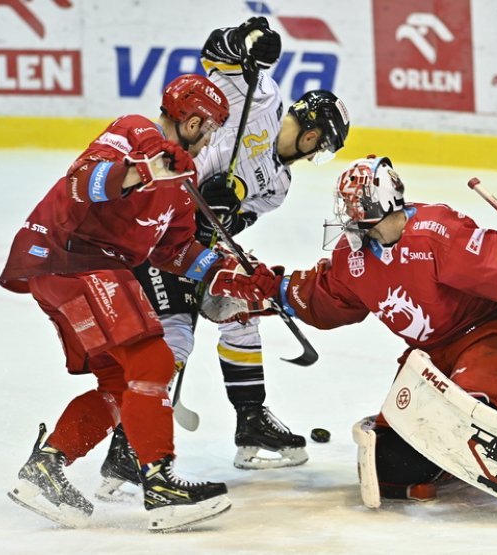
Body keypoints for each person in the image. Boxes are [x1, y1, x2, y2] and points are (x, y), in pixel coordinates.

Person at [241, 155, 497, 533]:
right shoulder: (356, 259)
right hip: (432, 360)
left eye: (359, 217)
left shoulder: (437, 234)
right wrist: (267, 289)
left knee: (457, 420)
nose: (351, 227)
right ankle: (458, 459)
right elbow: (324, 299)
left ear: (384, 208)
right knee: (390, 469)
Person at [0, 73, 278, 531]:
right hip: (72, 256)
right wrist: (142, 170)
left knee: (119, 386)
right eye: (207, 130)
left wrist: (240, 280)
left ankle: (45, 469)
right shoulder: (135, 132)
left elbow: (178, 253)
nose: (209, 142)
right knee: (152, 359)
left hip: (76, 272)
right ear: (189, 121)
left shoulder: (182, 186)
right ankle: (161, 484)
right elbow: (82, 183)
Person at [96, 16, 351, 500]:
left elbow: (227, 226)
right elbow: (217, 60)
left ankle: (251, 420)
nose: (313, 154)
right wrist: (244, 42)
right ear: (315, 134)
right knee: (174, 339)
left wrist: (223, 210)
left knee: (246, 307)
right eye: (322, 147)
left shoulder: (279, 187)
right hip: (151, 229)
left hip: (188, 243)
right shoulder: (262, 100)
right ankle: (128, 447)